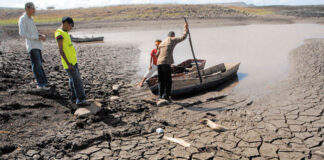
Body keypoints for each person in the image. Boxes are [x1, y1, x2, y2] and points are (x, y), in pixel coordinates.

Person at [54, 17, 87, 105]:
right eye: (71, 25)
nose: (71, 28)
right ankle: (81, 100)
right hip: (69, 63)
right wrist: (68, 64)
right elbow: (61, 50)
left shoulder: (66, 33)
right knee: (77, 81)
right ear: (66, 23)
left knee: (73, 80)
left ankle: (74, 97)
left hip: (73, 61)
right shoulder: (59, 33)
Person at [18, 2, 49, 90]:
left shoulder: (30, 19)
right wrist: (37, 37)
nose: (34, 10)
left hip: (36, 45)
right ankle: (41, 84)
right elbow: (22, 33)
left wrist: (40, 36)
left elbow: (32, 33)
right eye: (33, 8)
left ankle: (44, 83)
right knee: (37, 64)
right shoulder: (23, 19)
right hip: (32, 45)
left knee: (39, 64)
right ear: (27, 9)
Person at [156, 23, 188, 101]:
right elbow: (184, 37)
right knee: (168, 81)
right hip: (165, 62)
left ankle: (160, 96)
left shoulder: (162, 42)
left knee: (161, 80)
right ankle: (166, 96)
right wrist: (185, 28)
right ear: (173, 35)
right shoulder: (172, 39)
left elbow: (157, 54)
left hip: (159, 63)